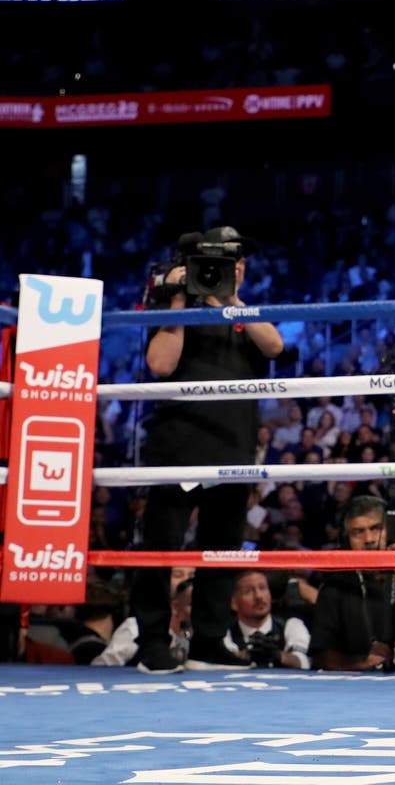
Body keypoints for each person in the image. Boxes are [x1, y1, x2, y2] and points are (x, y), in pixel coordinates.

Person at [131, 226, 284, 672]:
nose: (235, 267)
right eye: (224, 259)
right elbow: (160, 364)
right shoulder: (172, 305)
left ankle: (209, 643)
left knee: (221, 550)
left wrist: (231, 300)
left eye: (239, 260)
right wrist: (181, 298)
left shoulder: (244, 312)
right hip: (180, 448)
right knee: (162, 548)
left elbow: (274, 345)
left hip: (232, 449)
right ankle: (153, 642)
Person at [311, 496, 395, 671]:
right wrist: (362, 663)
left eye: (376, 529)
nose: (369, 539)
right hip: (360, 683)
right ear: (347, 540)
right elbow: (322, 657)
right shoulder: (335, 587)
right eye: (358, 532)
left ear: (393, 533)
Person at [222, 571, 311, 669]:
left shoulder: (292, 625)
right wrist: (249, 656)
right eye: (248, 591)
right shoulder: (224, 632)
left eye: (262, 588)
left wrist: (278, 655)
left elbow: (304, 662)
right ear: (234, 603)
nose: (259, 596)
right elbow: (221, 662)